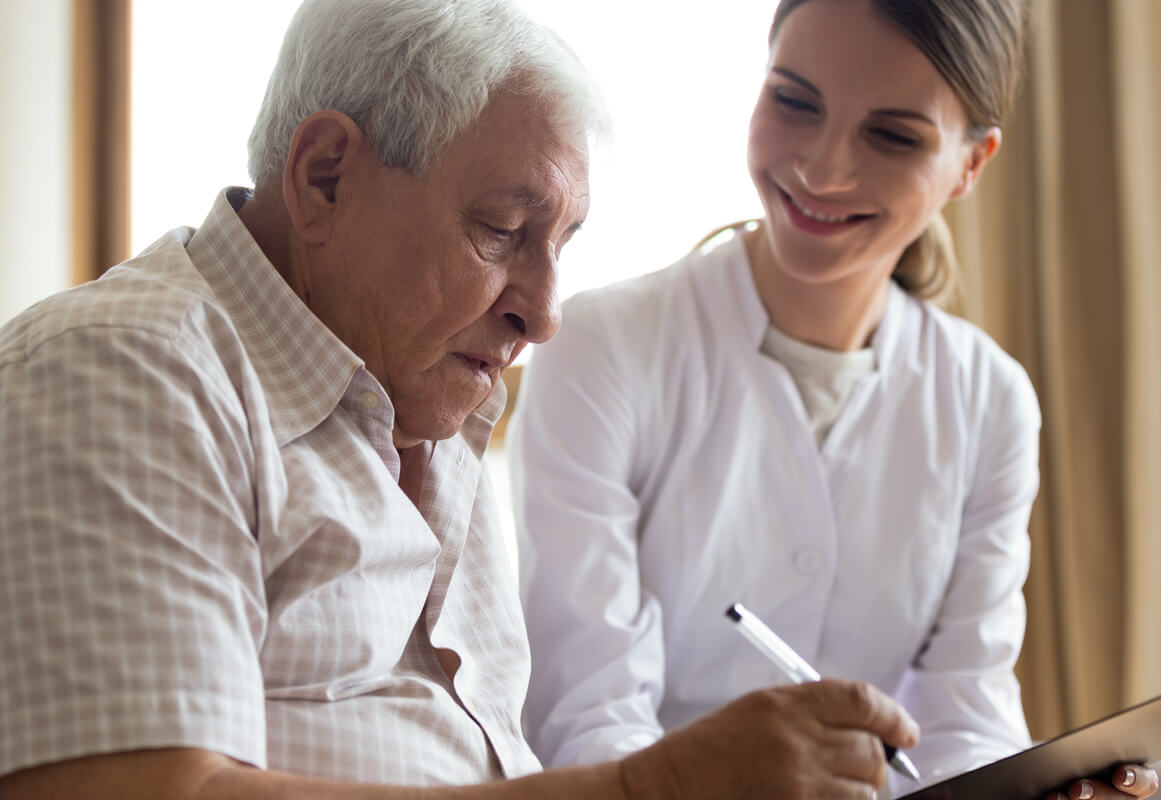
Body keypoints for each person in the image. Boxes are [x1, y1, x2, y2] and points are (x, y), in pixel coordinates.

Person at [0, 1, 927, 798]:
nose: (546, 312)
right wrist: (658, 788)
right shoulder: (124, 374)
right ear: (324, 176)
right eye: (502, 231)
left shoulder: (426, 395)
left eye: (562, 243)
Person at [510, 2, 1160, 800]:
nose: (822, 170)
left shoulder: (990, 402)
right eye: (794, 100)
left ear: (971, 164)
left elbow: (968, 722)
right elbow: (586, 722)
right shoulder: (600, 349)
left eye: (892, 135)